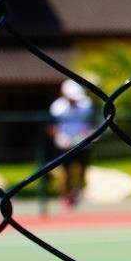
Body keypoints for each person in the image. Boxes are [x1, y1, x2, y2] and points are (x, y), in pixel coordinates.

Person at [49, 79, 94, 208]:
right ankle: (65, 198)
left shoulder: (86, 105)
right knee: (65, 173)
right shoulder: (57, 107)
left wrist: (86, 135)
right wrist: (59, 138)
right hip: (64, 145)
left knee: (82, 171)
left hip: (83, 143)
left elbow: (89, 124)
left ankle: (78, 193)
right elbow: (52, 127)